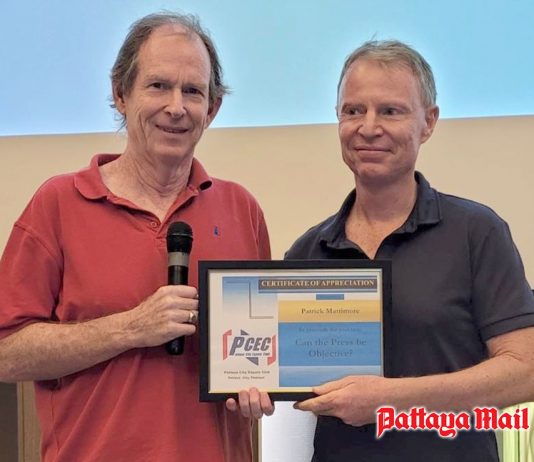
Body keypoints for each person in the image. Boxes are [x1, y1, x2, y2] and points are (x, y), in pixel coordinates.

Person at [233, 40, 534, 461]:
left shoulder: (476, 232)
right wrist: (250, 387)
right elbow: (281, 375)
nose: (368, 127)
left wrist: (391, 400)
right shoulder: (308, 250)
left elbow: (525, 370)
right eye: (353, 110)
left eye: (391, 111)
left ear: (429, 122)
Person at [0, 12, 271, 462]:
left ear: (213, 108)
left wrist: (260, 385)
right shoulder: (57, 204)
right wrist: (131, 327)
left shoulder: (242, 209)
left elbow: (259, 351)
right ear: (120, 94)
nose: (176, 107)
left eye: (193, 91)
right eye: (158, 86)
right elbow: (6, 352)